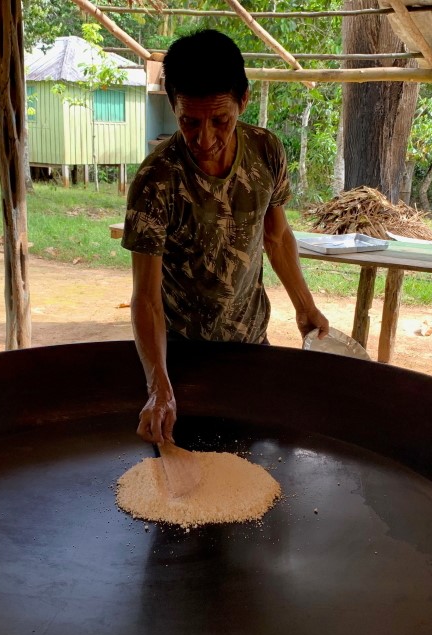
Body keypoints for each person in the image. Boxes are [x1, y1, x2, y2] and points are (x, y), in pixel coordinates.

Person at [121, 29, 329, 445]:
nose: (205, 139)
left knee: (253, 462)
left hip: (251, 343)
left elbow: (277, 235)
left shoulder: (267, 151)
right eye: (189, 122)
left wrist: (305, 307)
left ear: (243, 100)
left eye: (221, 120)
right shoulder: (156, 180)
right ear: (172, 104)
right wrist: (158, 387)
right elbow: (145, 298)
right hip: (180, 356)